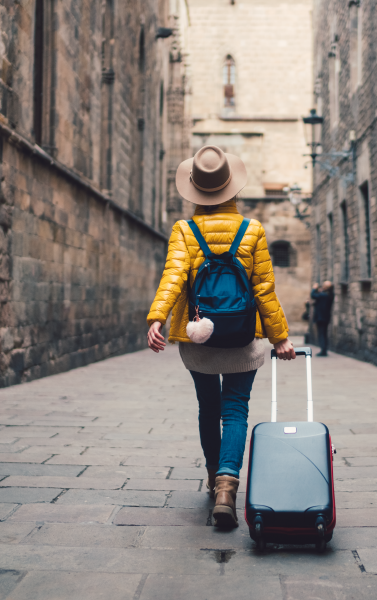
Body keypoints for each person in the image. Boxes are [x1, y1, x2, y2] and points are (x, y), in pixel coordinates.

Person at [146, 145, 296, 529]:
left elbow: (174, 277)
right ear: (233, 189)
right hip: (244, 339)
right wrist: (279, 337)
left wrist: (157, 317)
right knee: (236, 409)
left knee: (208, 408)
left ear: (195, 190)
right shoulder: (253, 231)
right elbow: (263, 289)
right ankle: (229, 486)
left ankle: (214, 478)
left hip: (199, 339)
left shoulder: (184, 230)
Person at [311, 281, 334, 356]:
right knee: (324, 333)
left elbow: (313, 295)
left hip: (321, 317)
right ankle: (324, 349)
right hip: (326, 317)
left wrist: (314, 288)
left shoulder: (324, 295)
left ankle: (323, 350)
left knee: (321, 334)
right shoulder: (330, 294)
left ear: (326, 287)